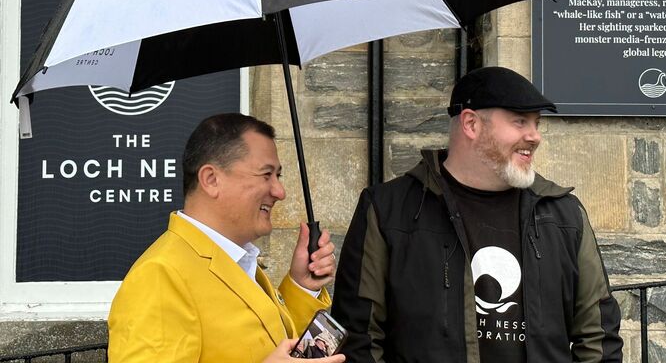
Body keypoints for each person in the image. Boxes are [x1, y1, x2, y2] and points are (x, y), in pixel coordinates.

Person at [332, 67, 623, 362]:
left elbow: (598, 337)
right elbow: (360, 340)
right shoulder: (387, 210)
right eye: (520, 121)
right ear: (471, 123)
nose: (534, 136)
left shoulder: (564, 214)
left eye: (536, 123)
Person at [108, 113, 345, 363]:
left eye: (278, 176)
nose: (279, 191)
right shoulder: (160, 275)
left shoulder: (236, 260)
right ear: (211, 180)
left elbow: (272, 343)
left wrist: (301, 285)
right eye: (266, 175)